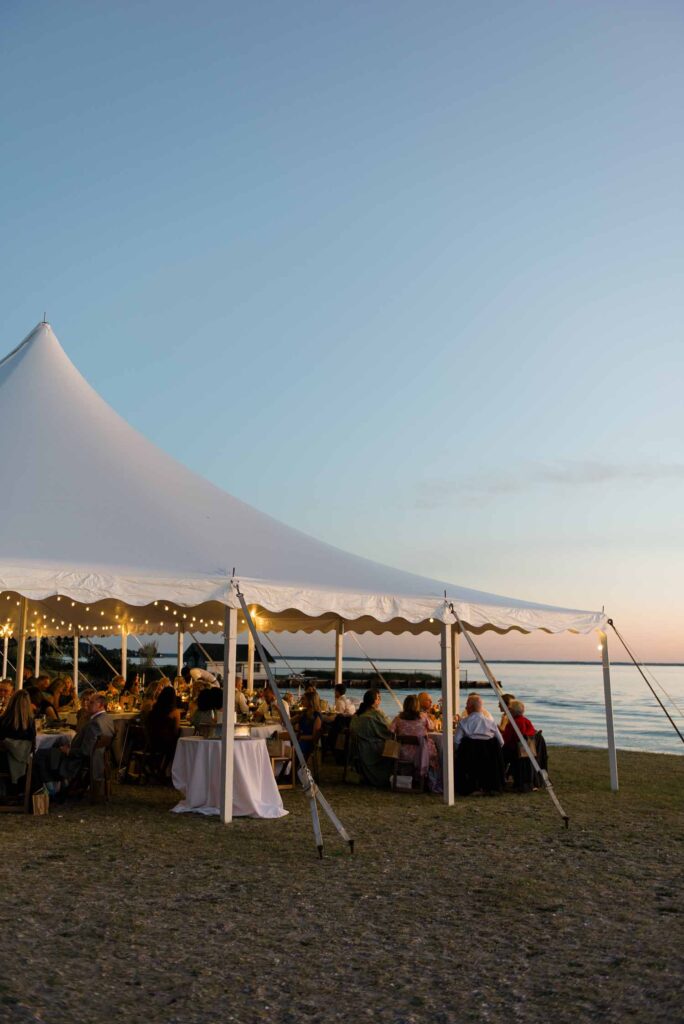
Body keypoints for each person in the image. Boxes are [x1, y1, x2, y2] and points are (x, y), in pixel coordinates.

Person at [454, 694, 505, 796]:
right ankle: (487, 786)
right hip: (489, 758)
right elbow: (501, 742)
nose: (465, 708)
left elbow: (456, 741)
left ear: (471, 707)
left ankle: (469, 786)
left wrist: (460, 752)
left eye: (466, 706)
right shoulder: (491, 722)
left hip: (470, 757)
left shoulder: (464, 722)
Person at [59, 693, 115, 785]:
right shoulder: (107, 719)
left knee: (47, 755)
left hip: (82, 761)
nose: (87, 704)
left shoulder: (95, 723)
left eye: (91, 702)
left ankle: (53, 789)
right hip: (99, 758)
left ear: (100, 705)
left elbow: (86, 751)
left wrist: (68, 751)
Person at [391, 694, 439, 788]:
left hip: (402, 753)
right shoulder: (423, 717)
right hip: (421, 754)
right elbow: (432, 728)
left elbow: (391, 731)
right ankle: (429, 780)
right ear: (417, 705)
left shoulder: (398, 718)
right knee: (435, 750)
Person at [348, 689, 394, 788]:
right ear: (374, 701)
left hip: (357, 749)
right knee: (393, 747)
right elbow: (388, 729)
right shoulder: (375, 715)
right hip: (373, 749)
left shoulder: (357, 715)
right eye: (378, 698)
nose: (380, 700)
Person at [0, 690, 36, 793]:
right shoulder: (30, 723)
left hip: (3, 762)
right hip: (24, 763)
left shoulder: (3, 720)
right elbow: (33, 745)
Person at [146, 685, 181, 773]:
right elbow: (176, 731)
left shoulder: (154, 708)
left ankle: (159, 769)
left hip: (152, 740)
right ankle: (164, 770)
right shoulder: (175, 712)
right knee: (176, 743)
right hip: (165, 743)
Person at [295, 690, 322, 762]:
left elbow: (314, 736)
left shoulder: (317, 716)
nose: (301, 700)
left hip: (308, 743)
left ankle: (294, 770)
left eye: (304, 699)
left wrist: (299, 737)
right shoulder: (304, 713)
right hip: (300, 739)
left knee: (292, 748)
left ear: (310, 701)